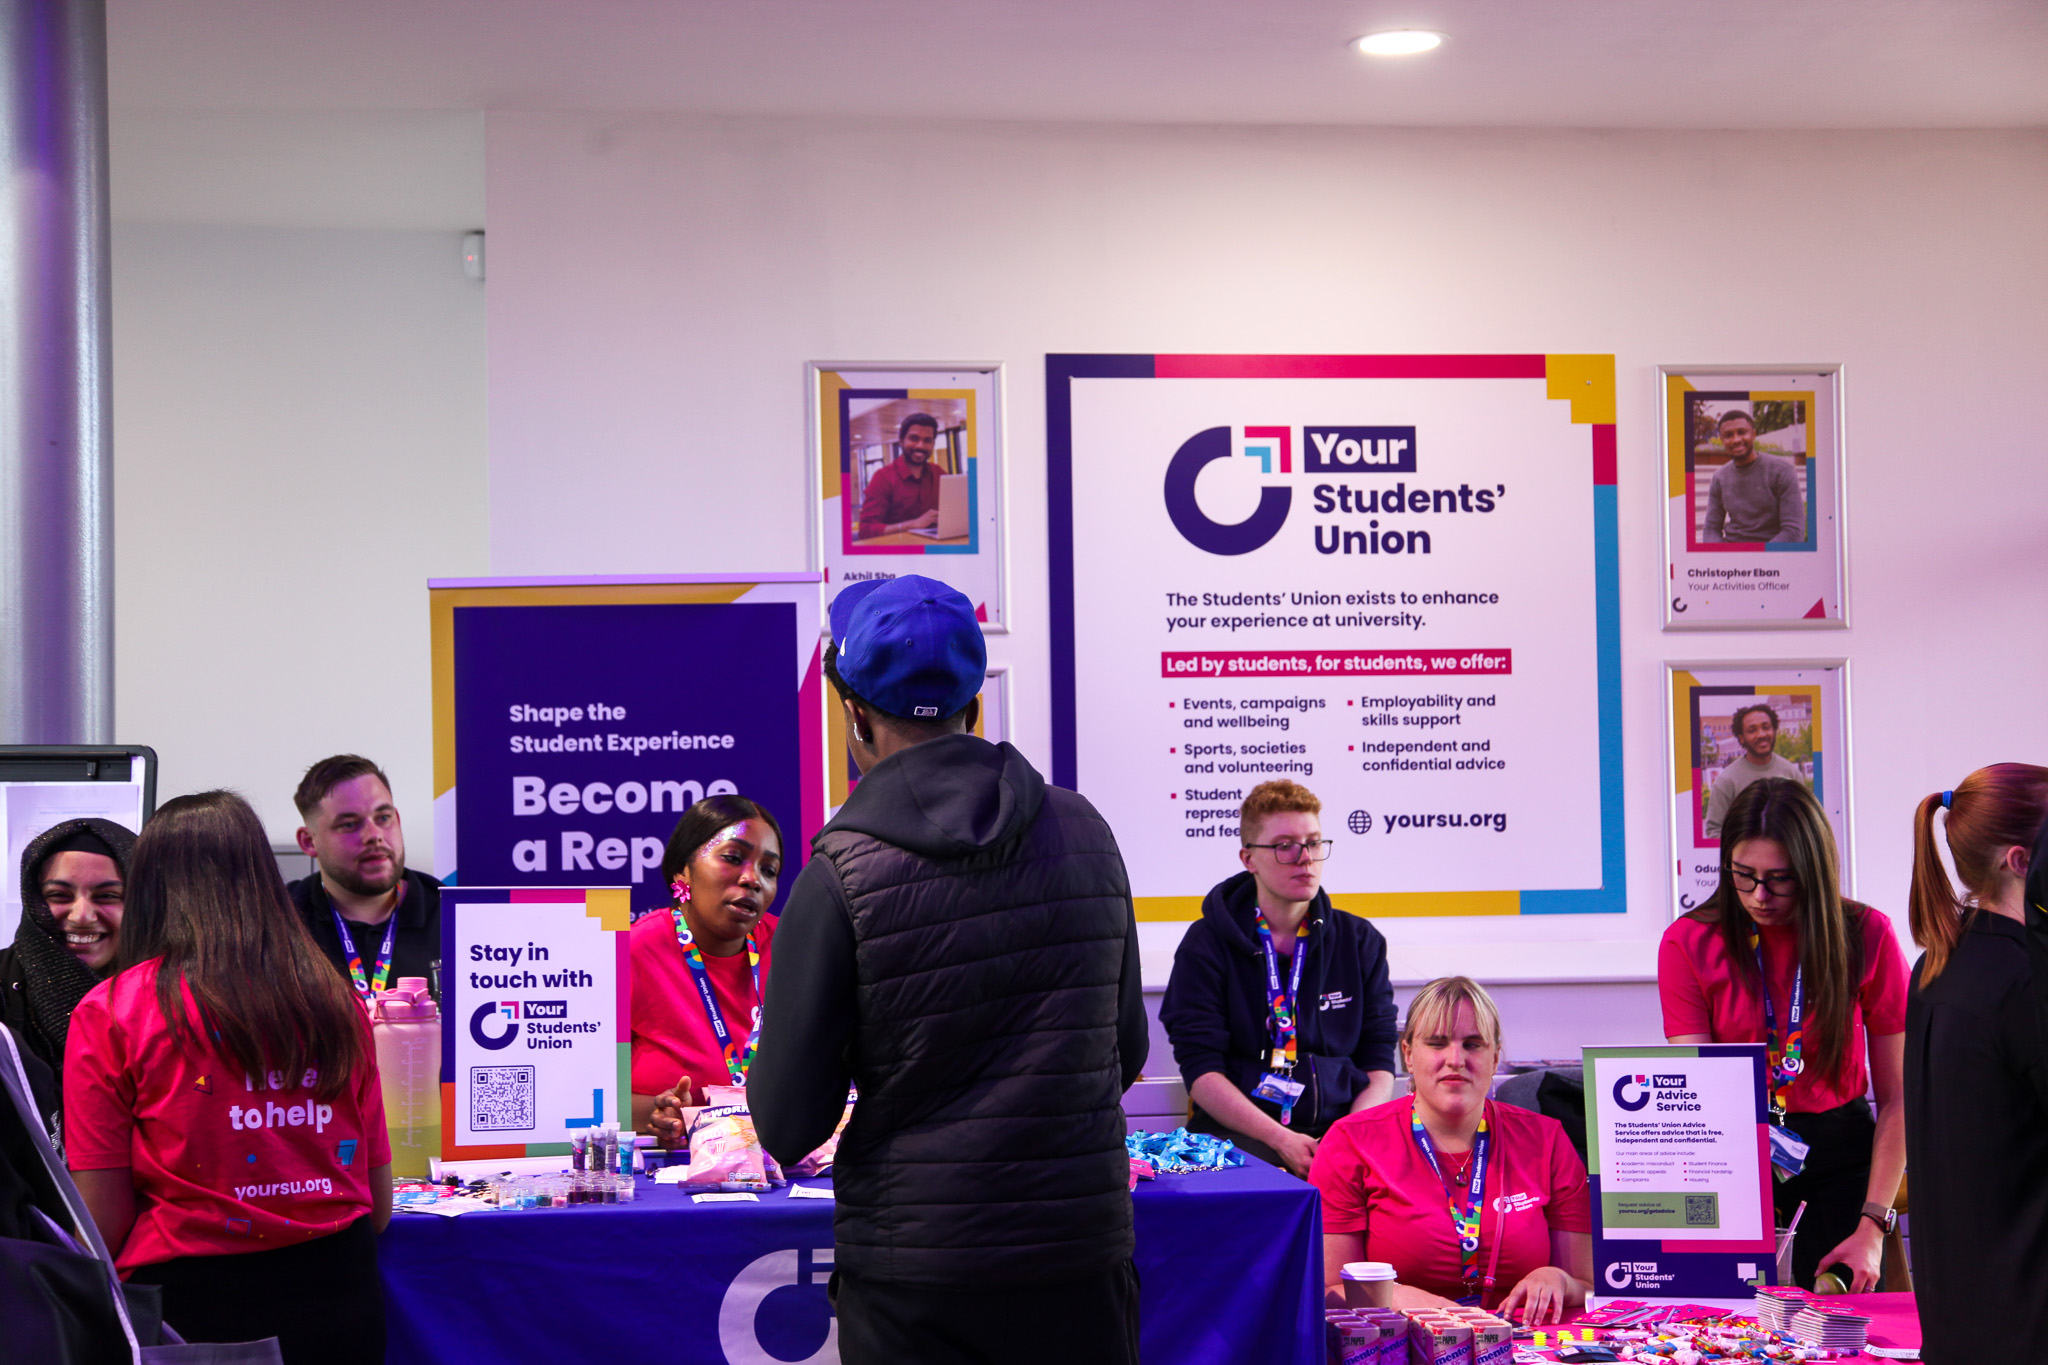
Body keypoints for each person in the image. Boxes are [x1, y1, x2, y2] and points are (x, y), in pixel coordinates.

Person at [751, 574, 1148, 1365]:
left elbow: (788, 1122)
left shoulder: (840, 874)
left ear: (854, 713)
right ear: (974, 700)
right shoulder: (1085, 830)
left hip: (921, 1280)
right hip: (1080, 1263)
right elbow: (1126, 1048)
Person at [65, 790, 392, 1363]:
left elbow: (102, 1223)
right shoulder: (336, 1000)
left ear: (150, 889)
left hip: (191, 1310)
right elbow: (378, 1203)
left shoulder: (112, 1011)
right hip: (342, 1295)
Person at [1658, 777, 1906, 1291]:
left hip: (1842, 1160)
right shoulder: (1689, 942)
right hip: (1732, 1153)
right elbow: (1700, 1095)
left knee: (1846, 1325)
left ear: (1813, 871)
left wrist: (1874, 1224)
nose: (1759, 896)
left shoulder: (1867, 934)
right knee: (1727, 1327)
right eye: (1743, 876)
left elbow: (1900, 1099)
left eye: (1780, 879)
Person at [1309, 976, 1592, 1322]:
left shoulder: (1546, 1139)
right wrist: (1397, 1297)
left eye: (1473, 1044)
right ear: (1408, 1054)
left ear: (1495, 1058)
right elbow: (1327, 1290)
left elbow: (1587, 1285)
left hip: (1523, 1340)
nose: (1456, 1059)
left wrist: (1558, 1279)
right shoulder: (1351, 1141)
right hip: (1402, 1340)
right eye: (1437, 1043)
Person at [1160, 779, 1397, 1179]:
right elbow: (1201, 1071)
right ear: (1249, 858)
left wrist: (1348, 1139)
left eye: (1314, 843)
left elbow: (1378, 1060)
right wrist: (1280, 1140)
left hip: (1344, 1133)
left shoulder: (1360, 941)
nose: (1305, 858)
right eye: (1285, 845)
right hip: (1241, 1138)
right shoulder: (1206, 944)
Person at [1901, 765, 2048, 1363]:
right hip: (2025, 1325)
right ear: (2021, 861)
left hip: (1961, 1321)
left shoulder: (1937, 965)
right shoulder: (2025, 980)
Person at [629, 794, 783, 1146]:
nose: (753, 880)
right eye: (733, 858)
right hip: (670, 1165)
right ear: (683, 869)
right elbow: (581, 1095)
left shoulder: (793, 948)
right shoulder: (632, 953)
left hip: (779, 1161)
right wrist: (657, 1114)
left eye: (769, 870)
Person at [0, 818, 135, 1129]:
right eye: (59, 895)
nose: (82, 916)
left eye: (108, 896)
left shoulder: (169, 1001)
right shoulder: (3, 989)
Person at [288, 755, 443, 1003]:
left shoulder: (454, 916)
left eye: (383, 818)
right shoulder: (279, 921)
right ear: (309, 842)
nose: (374, 835)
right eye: (350, 824)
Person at [1700, 408, 1803, 544]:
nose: (1736, 440)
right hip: (1731, 549)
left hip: (1770, 550)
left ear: (1754, 434)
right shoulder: (1719, 478)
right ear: (1722, 440)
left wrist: (1757, 555)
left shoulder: (1782, 471)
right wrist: (1720, 553)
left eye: (1742, 432)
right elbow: (1711, 529)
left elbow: (1793, 531)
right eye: (1729, 435)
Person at [1702, 703, 1805, 838]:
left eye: (1766, 727)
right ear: (1741, 738)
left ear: (1774, 730)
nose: (1761, 734)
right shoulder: (1726, 780)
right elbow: (1714, 831)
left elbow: (1803, 822)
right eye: (1752, 730)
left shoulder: (1792, 774)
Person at [855, 412, 943, 539]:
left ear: (933, 444)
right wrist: (912, 524)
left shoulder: (939, 473)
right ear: (901, 440)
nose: (920, 445)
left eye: (927, 440)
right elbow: (866, 531)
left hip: (932, 546)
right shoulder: (883, 478)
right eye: (914, 438)